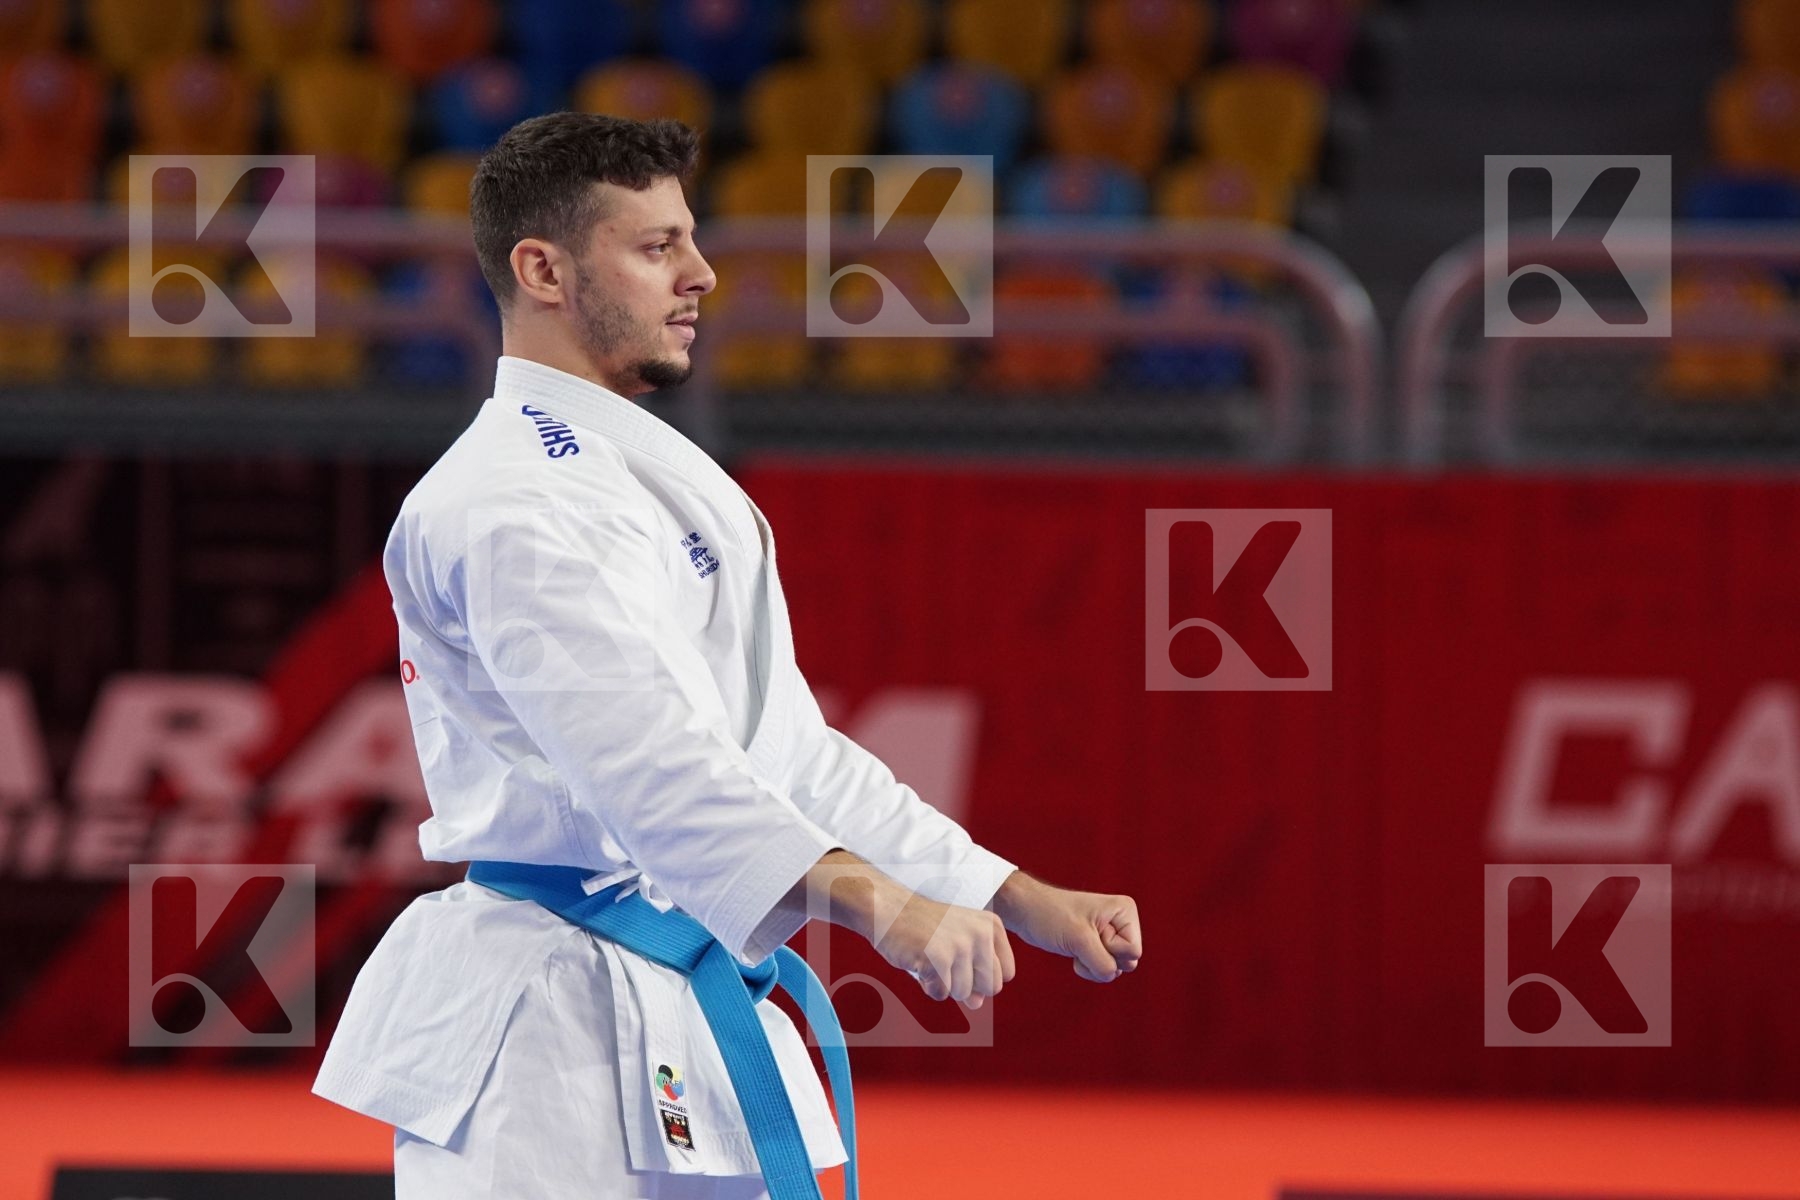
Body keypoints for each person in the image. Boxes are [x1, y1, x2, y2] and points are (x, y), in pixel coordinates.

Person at [311, 111, 1144, 1199]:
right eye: (656, 247)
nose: (700, 273)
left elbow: (788, 753)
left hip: (672, 992)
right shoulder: (506, 499)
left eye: (689, 239)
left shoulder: (644, 474)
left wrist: (1010, 892)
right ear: (543, 269)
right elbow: (645, 763)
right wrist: (878, 904)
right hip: (542, 1040)